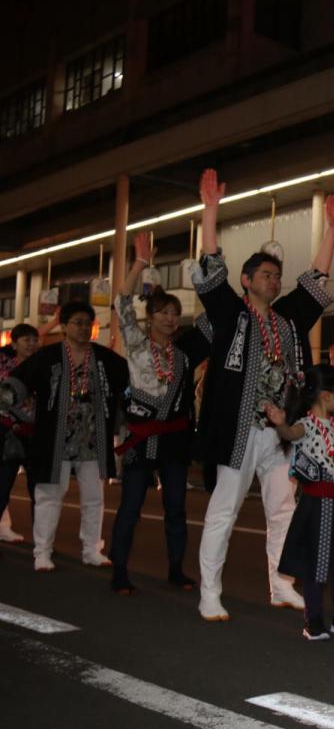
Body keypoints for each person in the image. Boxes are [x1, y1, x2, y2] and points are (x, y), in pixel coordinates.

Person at [191, 169, 334, 620]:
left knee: (284, 510)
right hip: (238, 431)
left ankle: (280, 583)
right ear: (247, 279)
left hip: (278, 433)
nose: (275, 282)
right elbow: (210, 266)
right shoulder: (229, 313)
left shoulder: (289, 319)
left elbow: (315, 281)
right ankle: (209, 592)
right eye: (267, 275)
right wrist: (211, 210)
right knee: (224, 512)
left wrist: (332, 229)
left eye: (278, 276)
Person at [108, 233, 211, 595]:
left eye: (174, 312)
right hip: (140, 435)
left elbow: (216, 320)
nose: (170, 318)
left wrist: (204, 275)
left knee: (176, 509)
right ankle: (119, 570)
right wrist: (138, 264)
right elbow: (121, 301)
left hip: (175, 437)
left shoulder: (185, 352)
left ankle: (175, 569)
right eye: (162, 312)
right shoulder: (136, 343)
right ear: (148, 317)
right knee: (131, 506)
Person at [0, 301, 129, 572]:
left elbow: (130, 385)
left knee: (94, 498)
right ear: (64, 326)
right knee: (49, 495)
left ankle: (92, 550)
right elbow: (17, 383)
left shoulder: (106, 359)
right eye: (77, 322)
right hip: (55, 440)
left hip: (93, 441)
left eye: (87, 323)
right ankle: (42, 551)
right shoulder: (47, 357)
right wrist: (6, 398)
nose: (83, 328)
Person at [267, 364, 334, 641]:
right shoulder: (306, 425)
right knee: (316, 564)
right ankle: (313, 619)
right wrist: (281, 424)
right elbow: (290, 435)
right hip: (316, 504)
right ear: (325, 395)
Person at [0, 320, 56, 544]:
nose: (32, 344)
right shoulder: (5, 367)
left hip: (37, 437)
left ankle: (42, 543)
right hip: (9, 435)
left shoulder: (46, 367)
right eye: (27, 340)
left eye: (35, 340)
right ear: (14, 344)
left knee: (40, 492)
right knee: (3, 487)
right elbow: (6, 401)